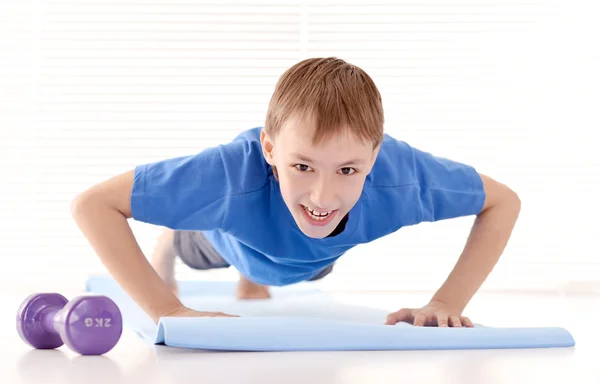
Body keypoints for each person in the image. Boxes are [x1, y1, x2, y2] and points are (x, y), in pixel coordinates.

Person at [72, 57, 521, 327]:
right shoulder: (228, 176)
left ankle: (259, 271)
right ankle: (172, 240)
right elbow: (93, 205)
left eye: (348, 169)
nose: (323, 195)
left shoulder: (401, 179)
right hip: (225, 236)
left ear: (375, 155)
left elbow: (503, 201)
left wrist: (446, 303)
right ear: (269, 148)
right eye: (302, 165)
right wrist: (166, 309)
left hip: (310, 259)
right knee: (194, 246)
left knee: (307, 266)